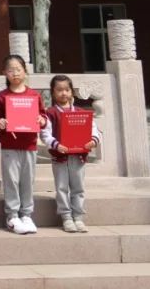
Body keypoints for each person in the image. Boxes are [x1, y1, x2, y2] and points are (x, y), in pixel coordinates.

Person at [0, 54, 48, 235]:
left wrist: (41, 120)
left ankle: (26, 214)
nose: (15, 73)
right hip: (9, 144)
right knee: (11, 180)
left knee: (27, 180)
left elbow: (43, 116)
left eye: (18, 69)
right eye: (11, 70)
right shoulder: (3, 96)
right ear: (4, 73)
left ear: (25, 71)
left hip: (29, 144)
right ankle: (12, 215)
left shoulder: (34, 95)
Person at [42, 74, 102, 233]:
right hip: (60, 157)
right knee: (61, 187)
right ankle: (66, 217)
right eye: (59, 90)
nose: (64, 93)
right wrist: (56, 145)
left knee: (78, 188)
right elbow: (45, 135)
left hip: (78, 157)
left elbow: (94, 130)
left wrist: (93, 140)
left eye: (67, 90)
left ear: (72, 92)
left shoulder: (81, 112)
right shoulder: (50, 113)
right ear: (53, 92)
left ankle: (78, 217)